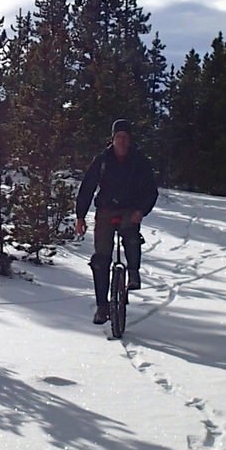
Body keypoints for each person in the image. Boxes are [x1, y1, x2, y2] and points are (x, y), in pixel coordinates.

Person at [74, 119, 158, 324]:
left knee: (131, 236)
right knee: (100, 260)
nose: (121, 141)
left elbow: (151, 191)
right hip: (105, 209)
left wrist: (141, 211)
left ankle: (133, 273)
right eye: (118, 137)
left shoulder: (139, 161)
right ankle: (102, 306)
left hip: (130, 208)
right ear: (112, 139)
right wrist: (80, 215)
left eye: (124, 137)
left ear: (129, 140)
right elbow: (87, 187)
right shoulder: (102, 160)